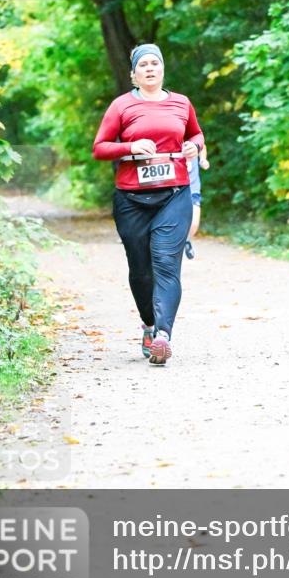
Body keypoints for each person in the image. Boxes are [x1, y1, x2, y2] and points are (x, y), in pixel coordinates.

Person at [92, 43, 204, 366]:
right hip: (131, 199)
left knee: (167, 264)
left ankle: (163, 336)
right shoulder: (122, 106)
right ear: (134, 74)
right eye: (144, 65)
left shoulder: (181, 104)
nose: (151, 68)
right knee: (141, 271)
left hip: (174, 195)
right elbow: (100, 148)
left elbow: (197, 135)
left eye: (156, 63)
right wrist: (130, 146)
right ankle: (149, 324)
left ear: (163, 69)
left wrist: (193, 148)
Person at [184, 143, 209, 260]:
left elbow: (202, 146)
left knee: (194, 223)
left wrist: (203, 159)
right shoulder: (169, 137)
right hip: (175, 189)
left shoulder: (191, 137)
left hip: (193, 188)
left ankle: (186, 240)